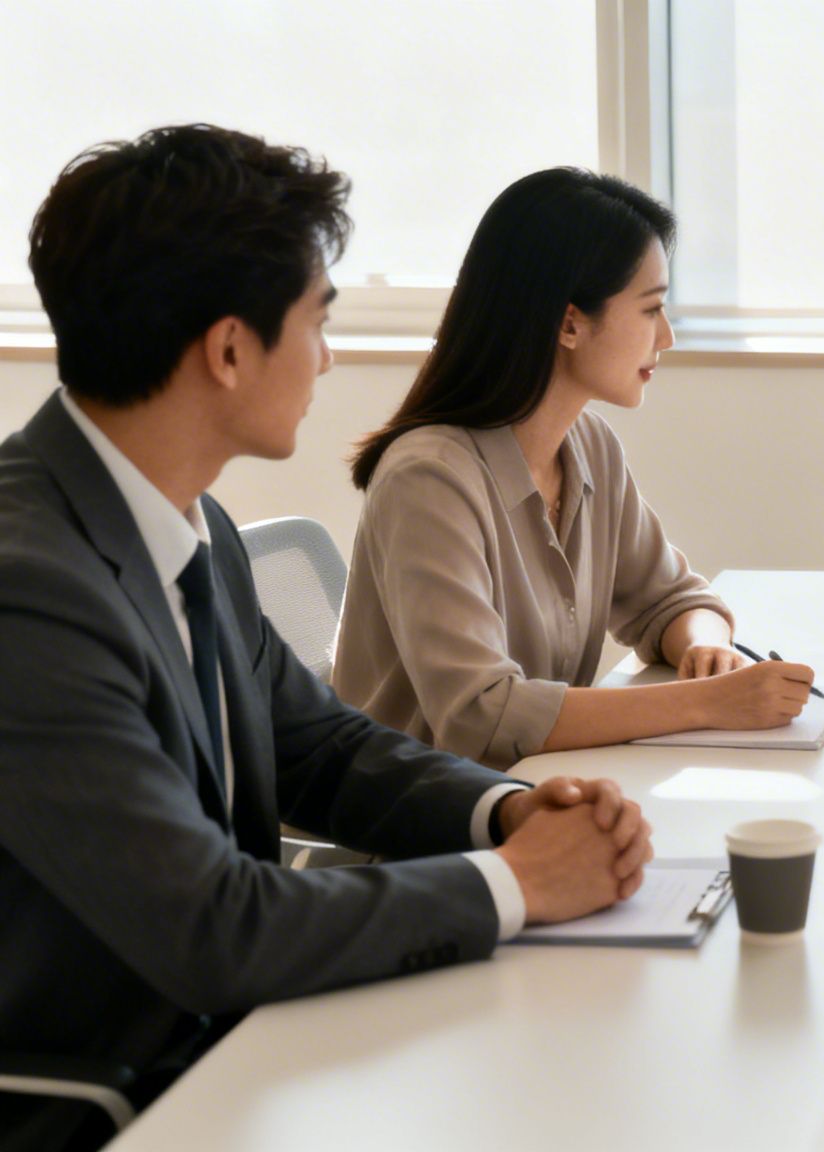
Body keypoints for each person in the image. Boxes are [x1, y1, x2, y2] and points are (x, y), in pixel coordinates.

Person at [0, 126, 655, 1150]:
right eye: (317, 320)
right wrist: (521, 883)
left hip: (246, 1046)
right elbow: (213, 931)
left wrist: (511, 812)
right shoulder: (27, 587)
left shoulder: (189, 522)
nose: (329, 356)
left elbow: (325, 749)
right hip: (124, 1098)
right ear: (227, 350)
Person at [333, 168, 813, 769]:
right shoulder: (428, 480)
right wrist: (707, 702)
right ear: (568, 323)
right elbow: (483, 718)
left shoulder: (588, 444)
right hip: (422, 830)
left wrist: (705, 648)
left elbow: (668, 599)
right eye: (651, 309)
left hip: (534, 792)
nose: (664, 337)